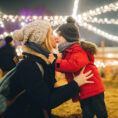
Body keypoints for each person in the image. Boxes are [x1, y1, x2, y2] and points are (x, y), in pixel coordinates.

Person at [2, 20, 93, 118]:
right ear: (42, 39)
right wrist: (75, 84)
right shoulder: (29, 65)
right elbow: (47, 100)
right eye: (51, 34)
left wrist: (76, 84)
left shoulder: (41, 61)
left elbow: (46, 92)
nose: (55, 37)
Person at [48, 17, 108, 118]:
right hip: (84, 90)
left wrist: (55, 63)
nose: (56, 38)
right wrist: (57, 62)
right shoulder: (69, 51)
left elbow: (73, 65)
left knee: (101, 112)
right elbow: (67, 66)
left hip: (93, 89)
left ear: (68, 37)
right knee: (87, 113)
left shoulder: (77, 50)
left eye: (59, 35)